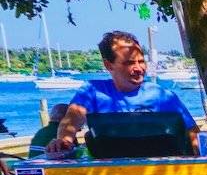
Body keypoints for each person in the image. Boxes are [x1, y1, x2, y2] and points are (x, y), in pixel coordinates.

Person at [50, 31, 197, 154]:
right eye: (130, 63)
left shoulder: (162, 96)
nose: (139, 68)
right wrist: (64, 140)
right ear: (108, 65)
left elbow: (194, 135)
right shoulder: (92, 91)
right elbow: (72, 118)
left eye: (141, 61)